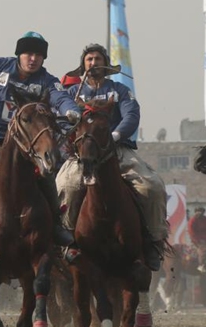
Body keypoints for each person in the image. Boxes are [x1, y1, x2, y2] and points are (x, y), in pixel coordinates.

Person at [0, 31, 81, 267]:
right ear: (19, 54)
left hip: (26, 147)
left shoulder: (47, 81)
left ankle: (56, 227)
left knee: (48, 174)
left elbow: (61, 98)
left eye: (39, 55)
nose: (33, 59)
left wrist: (71, 111)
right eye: (28, 53)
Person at [56, 43, 167, 271]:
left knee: (152, 186)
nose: (93, 63)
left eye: (97, 59)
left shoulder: (121, 91)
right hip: (82, 153)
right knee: (65, 184)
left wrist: (115, 135)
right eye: (89, 60)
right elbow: (58, 119)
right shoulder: (70, 94)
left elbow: (131, 115)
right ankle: (68, 240)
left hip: (117, 149)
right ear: (83, 65)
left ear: (105, 65)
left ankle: (153, 241)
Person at [188, 206, 206, 273]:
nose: (200, 213)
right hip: (197, 239)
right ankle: (201, 264)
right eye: (198, 211)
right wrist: (197, 240)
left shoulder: (205, 219)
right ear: (195, 212)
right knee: (204, 248)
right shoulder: (193, 220)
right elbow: (191, 232)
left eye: (201, 212)